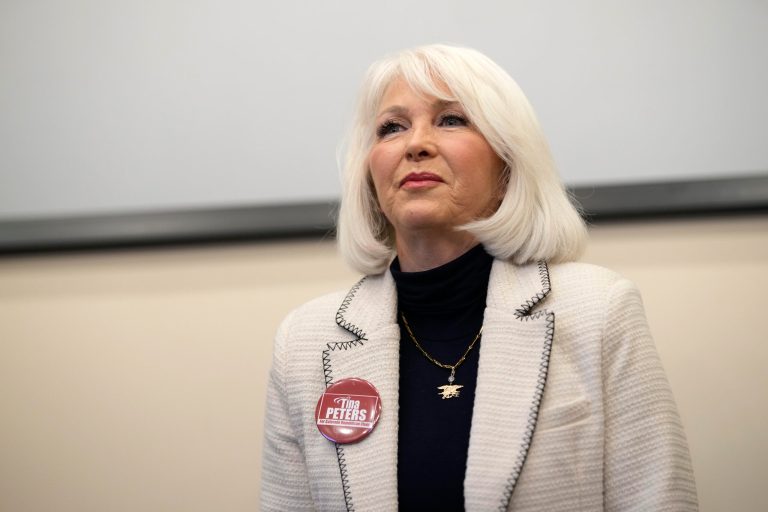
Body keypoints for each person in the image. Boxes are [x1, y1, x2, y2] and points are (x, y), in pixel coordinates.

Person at [261, 44, 698, 511]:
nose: (416, 144)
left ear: (507, 164)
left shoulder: (600, 310)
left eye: (451, 120)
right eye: (392, 127)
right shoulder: (304, 341)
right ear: (369, 171)